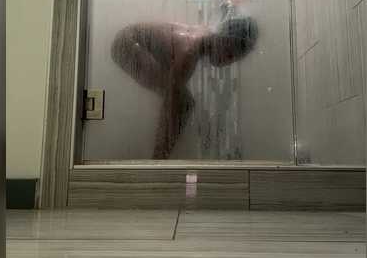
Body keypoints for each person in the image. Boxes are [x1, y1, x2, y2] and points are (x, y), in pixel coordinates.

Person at [111, 15, 258, 159]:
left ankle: (159, 159)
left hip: (130, 39)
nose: (227, 62)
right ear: (222, 39)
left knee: (182, 102)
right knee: (181, 102)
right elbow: (170, 105)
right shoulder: (189, 51)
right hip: (127, 44)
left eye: (233, 58)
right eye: (229, 54)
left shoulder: (203, 36)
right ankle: (157, 162)